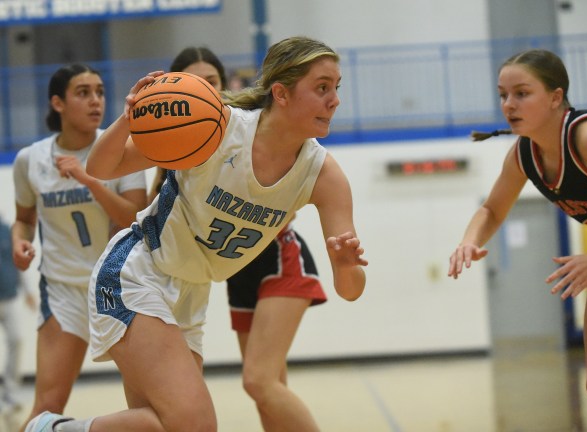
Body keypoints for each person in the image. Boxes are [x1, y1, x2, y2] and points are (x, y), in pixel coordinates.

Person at [25, 36, 367, 432]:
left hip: (191, 295)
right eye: (322, 87)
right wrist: (128, 118)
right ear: (282, 93)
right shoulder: (215, 129)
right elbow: (103, 167)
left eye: (336, 88)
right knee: (195, 424)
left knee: (165, 427)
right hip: (138, 273)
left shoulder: (324, 175)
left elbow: (351, 289)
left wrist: (345, 266)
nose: (335, 100)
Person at [148, 46, 328, 431]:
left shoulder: (244, 127)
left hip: (276, 256)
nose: (206, 91)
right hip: (235, 270)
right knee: (267, 387)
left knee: (259, 381)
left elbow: (286, 194)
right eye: (196, 84)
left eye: (211, 82)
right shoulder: (178, 144)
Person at [448, 48, 587, 430]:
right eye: (503, 95)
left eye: (522, 93)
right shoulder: (524, 154)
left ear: (556, 97)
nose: (509, 104)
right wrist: (468, 240)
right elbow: (491, 210)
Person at [11, 64, 147, 431]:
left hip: (119, 289)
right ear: (58, 102)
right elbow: (24, 218)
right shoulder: (30, 160)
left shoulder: (122, 149)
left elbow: (132, 216)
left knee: (147, 406)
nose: (96, 101)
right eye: (83, 92)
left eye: (100, 92)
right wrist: (19, 241)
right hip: (62, 291)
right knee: (46, 406)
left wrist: (89, 179)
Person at [0, 215, 35, 413]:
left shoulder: (6, 229)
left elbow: (17, 258)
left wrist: (28, 291)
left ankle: (10, 394)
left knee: (17, 340)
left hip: (9, 298)